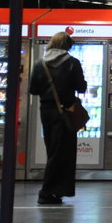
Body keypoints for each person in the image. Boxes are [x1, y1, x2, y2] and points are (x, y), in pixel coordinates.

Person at [28, 31, 86, 205]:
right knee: (62, 153)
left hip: (46, 111)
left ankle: (55, 192)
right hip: (65, 111)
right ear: (67, 46)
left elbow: (33, 89)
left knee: (53, 150)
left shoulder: (40, 64)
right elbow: (81, 87)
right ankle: (46, 192)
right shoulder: (72, 63)